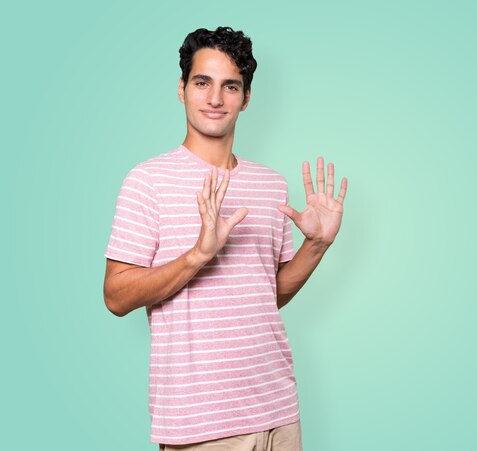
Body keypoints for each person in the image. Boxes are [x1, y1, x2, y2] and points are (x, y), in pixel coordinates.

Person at [103, 26, 347, 450]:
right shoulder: (148, 181)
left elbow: (266, 294)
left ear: (246, 98)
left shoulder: (269, 184)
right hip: (201, 425)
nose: (215, 99)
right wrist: (197, 255)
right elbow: (116, 296)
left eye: (230, 86)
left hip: (278, 412)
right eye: (202, 83)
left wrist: (316, 246)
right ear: (182, 89)